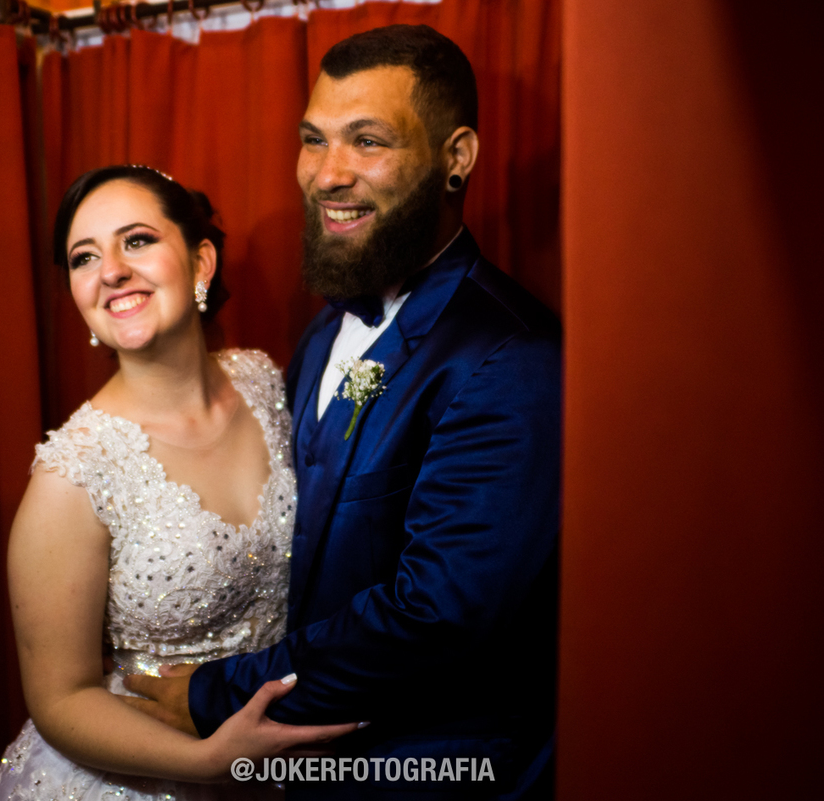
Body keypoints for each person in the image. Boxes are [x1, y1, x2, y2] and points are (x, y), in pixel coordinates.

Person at [126, 25, 561, 800]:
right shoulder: (327, 326)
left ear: (456, 157)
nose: (328, 174)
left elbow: (437, 618)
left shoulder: (509, 355)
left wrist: (210, 693)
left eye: (368, 141)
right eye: (313, 140)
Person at [0, 165, 359, 801]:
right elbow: (61, 698)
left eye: (136, 240)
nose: (111, 271)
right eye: (84, 257)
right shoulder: (72, 476)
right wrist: (214, 761)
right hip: (149, 772)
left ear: (201, 261)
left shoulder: (264, 382)